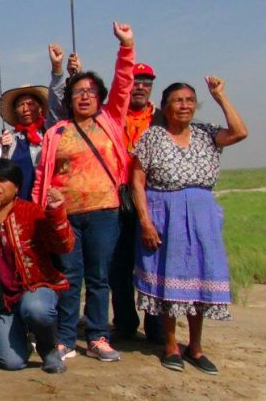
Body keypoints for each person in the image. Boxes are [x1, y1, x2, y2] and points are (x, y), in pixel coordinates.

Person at [32, 22, 136, 362]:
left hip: (105, 211)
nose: (85, 95)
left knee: (99, 276)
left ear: (101, 97)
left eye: (91, 91)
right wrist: (39, 211)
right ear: (69, 99)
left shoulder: (111, 121)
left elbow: (124, 84)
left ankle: (97, 336)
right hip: (66, 216)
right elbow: (41, 177)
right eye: (78, 91)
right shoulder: (56, 131)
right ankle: (64, 338)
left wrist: (126, 46)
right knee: (69, 277)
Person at [132, 77, 247, 374]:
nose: (185, 105)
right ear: (166, 107)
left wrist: (220, 96)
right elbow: (137, 182)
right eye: (178, 100)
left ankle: (195, 346)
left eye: (190, 100)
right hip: (163, 212)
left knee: (200, 278)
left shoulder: (206, 134)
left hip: (202, 215)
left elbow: (240, 132)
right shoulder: (151, 138)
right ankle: (171, 345)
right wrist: (145, 221)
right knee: (169, 278)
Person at [0, 159, 74, 374]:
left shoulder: (32, 212)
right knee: (11, 363)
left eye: (3, 180)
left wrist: (56, 211)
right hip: (1, 300)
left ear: (17, 188)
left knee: (36, 309)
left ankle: (48, 347)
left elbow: (64, 245)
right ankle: (16, 334)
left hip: (35, 288)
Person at [111, 62, 166, 343]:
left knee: (153, 264)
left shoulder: (161, 119)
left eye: (146, 82)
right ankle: (124, 323)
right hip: (118, 197)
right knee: (118, 266)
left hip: (152, 197)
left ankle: (156, 327)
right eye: (135, 81)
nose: (141, 87)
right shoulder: (112, 117)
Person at [0, 85, 49, 200]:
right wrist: (4, 150)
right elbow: (2, 173)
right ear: (15, 111)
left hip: (46, 200)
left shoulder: (49, 134)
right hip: (18, 202)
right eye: (21, 105)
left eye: (30, 104)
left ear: (40, 107)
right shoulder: (9, 138)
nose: (26, 109)